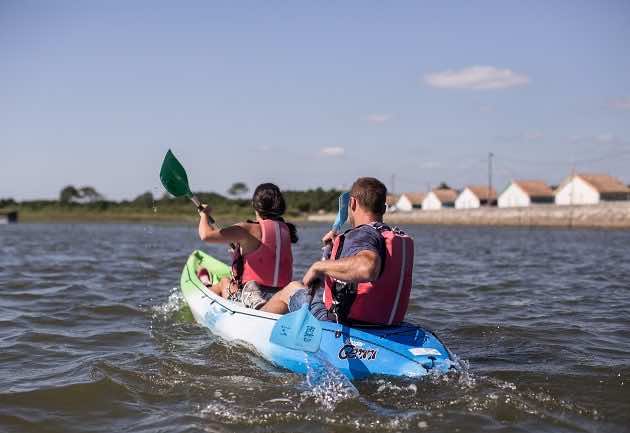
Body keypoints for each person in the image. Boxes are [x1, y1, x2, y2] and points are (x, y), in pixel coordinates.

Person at [261, 177, 414, 326]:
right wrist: (334, 254)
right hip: (384, 325)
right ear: (384, 208)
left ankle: (256, 320)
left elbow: (367, 268)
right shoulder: (385, 235)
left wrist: (319, 266)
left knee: (292, 288)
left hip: (344, 324)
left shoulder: (362, 234)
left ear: (353, 203)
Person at [197, 183, 298, 309]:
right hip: (280, 295)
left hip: (254, 294)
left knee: (224, 282)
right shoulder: (287, 229)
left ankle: (206, 287)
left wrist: (204, 215)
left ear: (253, 205)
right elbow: (267, 256)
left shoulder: (248, 229)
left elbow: (206, 235)